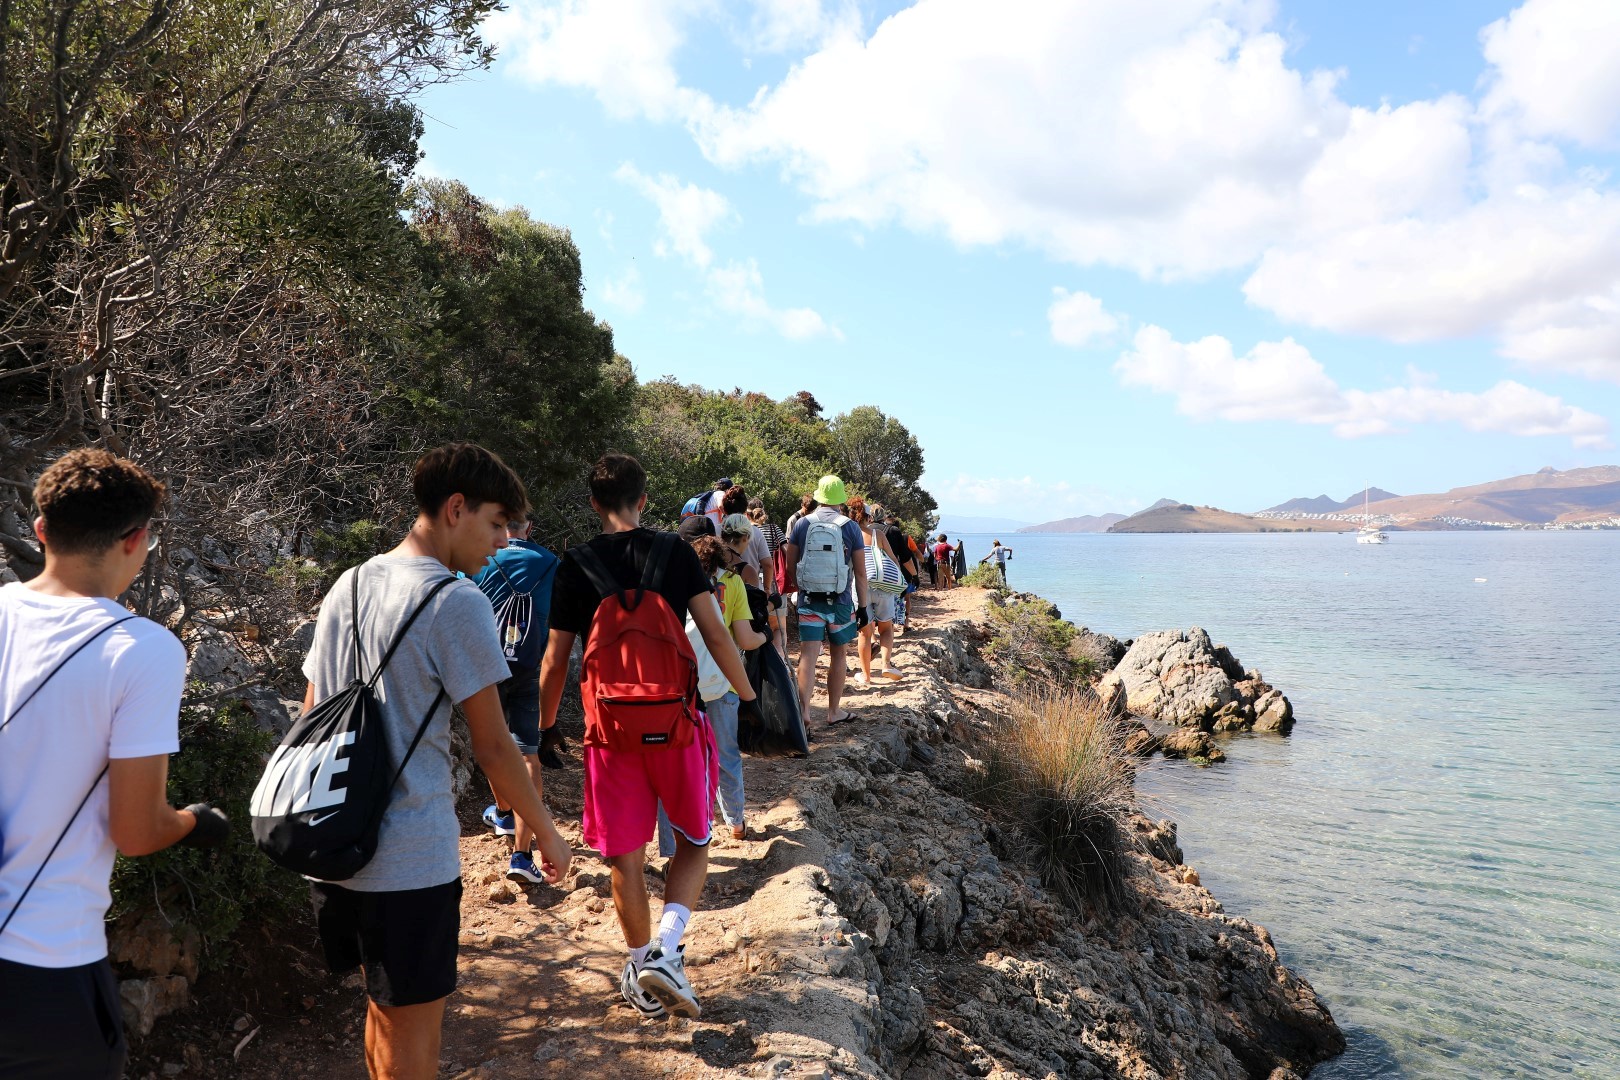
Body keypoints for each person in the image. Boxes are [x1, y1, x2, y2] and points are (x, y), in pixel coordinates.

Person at [301, 443, 571, 1080]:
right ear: (457, 508)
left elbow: (312, 708)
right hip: (407, 856)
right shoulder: (457, 601)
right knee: (414, 1035)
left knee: (382, 1010)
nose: (504, 542)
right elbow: (495, 745)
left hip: (335, 841)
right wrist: (550, 835)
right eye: (498, 523)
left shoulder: (351, 582)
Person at [0, 449, 230, 1080]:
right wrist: (196, 821)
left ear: (41, 530)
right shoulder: (141, 650)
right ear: (138, 540)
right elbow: (135, 831)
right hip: (42, 963)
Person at [539, 453, 756, 1021]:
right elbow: (714, 633)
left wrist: (543, 730)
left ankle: (640, 965)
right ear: (643, 498)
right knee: (693, 842)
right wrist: (748, 698)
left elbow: (555, 662)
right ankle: (667, 947)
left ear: (593, 503)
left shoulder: (576, 563)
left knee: (624, 856)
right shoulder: (674, 552)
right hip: (677, 726)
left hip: (609, 733)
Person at [657, 530, 765, 856]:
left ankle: (684, 837)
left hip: (678, 686)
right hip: (721, 683)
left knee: (678, 766)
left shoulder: (667, 581)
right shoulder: (731, 584)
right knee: (726, 756)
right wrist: (765, 637)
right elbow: (743, 639)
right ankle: (735, 822)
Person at [472, 513, 564, 884]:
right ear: (530, 527)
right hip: (528, 666)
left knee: (492, 745)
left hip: (485, 668)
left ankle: (506, 811)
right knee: (528, 757)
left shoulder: (481, 558)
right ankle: (522, 856)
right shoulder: (549, 562)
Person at [785, 475, 869, 727]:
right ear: (840, 499)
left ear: (819, 496)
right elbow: (861, 573)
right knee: (839, 655)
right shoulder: (850, 527)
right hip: (841, 600)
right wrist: (863, 606)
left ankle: (804, 713)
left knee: (808, 656)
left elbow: (790, 566)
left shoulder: (802, 524)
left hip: (810, 599)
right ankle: (834, 712)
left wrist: (805, 588)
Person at [847, 498, 901, 686]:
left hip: (861, 586)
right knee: (886, 628)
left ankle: (866, 676)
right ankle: (886, 665)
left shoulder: (848, 536)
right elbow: (893, 559)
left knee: (865, 633)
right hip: (883, 585)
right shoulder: (878, 535)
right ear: (869, 517)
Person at [747, 500, 788, 654]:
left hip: (753, 583)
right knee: (779, 627)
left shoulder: (746, 532)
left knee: (756, 625)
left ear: (748, 512)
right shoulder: (774, 529)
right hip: (775, 582)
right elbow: (786, 550)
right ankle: (780, 659)